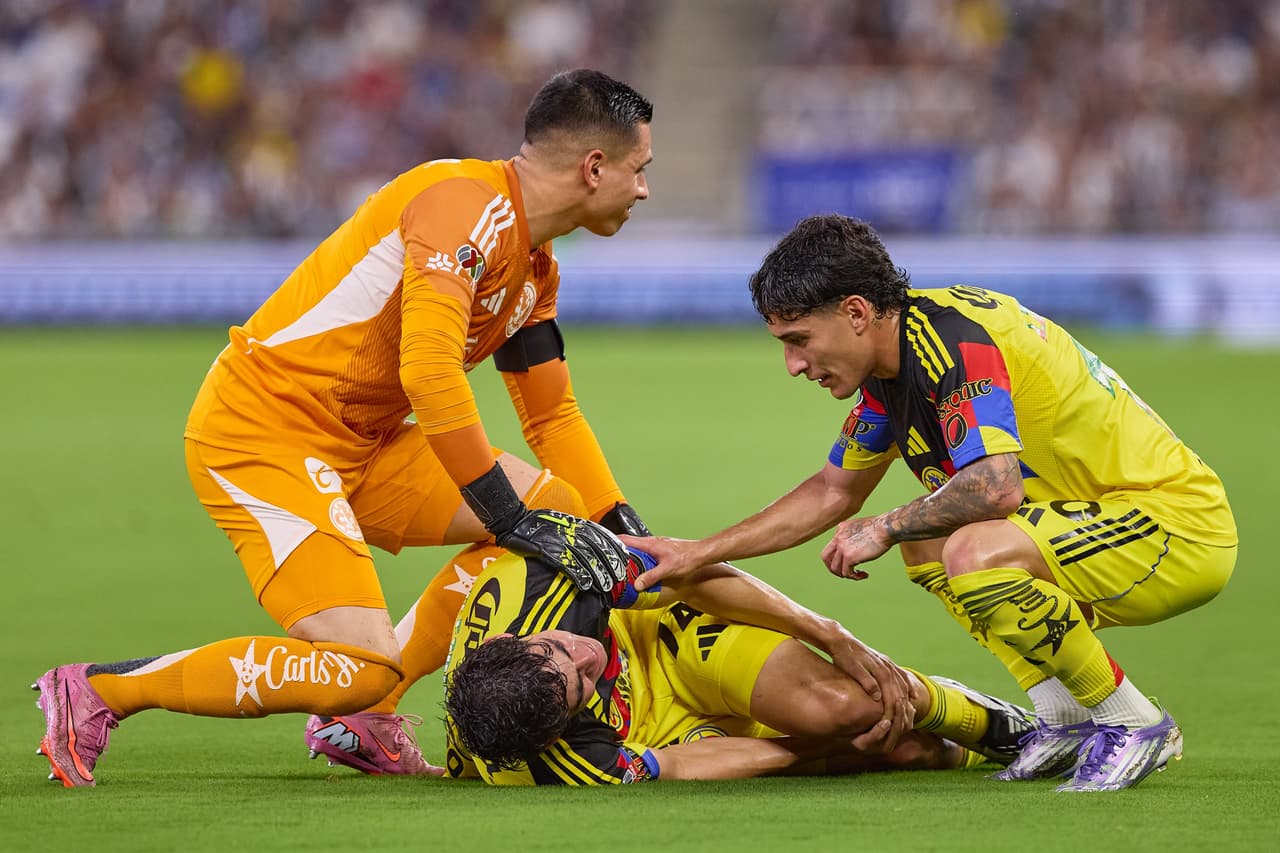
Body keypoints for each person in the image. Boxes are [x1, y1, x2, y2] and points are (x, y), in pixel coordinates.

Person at [33, 69, 658, 788]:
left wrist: (620, 524)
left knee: (563, 511)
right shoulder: (463, 205)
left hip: (362, 442)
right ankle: (97, 690)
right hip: (263, 432)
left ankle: (367, 718)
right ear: (594, 167)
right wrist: (509, 518)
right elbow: (430, 373)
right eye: (640, 169)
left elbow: (550, 413)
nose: (644, 189)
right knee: (361, 662)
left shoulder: (536, 267)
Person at [625, 214, 1237, 792]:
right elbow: (833, 491)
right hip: (1099, 528)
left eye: (800, 340)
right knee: (928, 541)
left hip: (1175, 528)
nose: (794, 365)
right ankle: (1065, 716)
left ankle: (1132, 720)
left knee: (970, 549)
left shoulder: (954, 343)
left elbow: (996, 486)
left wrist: (884, 526)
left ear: (856, 312)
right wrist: (698, 553)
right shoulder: (895, 368)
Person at [441, 544, 1036, 784]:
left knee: (853, 704)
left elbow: (690, 570)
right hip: (657, 729)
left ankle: (998, 724)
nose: (587, 655)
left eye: (556, 647)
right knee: (884, 745)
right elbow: (674, 766)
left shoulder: (544, 581)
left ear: (512, 639)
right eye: (579, 687)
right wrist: (827, 751)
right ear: (556, 732)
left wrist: (826, 632)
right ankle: (947, 751)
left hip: (663, 636)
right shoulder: (555, 764)